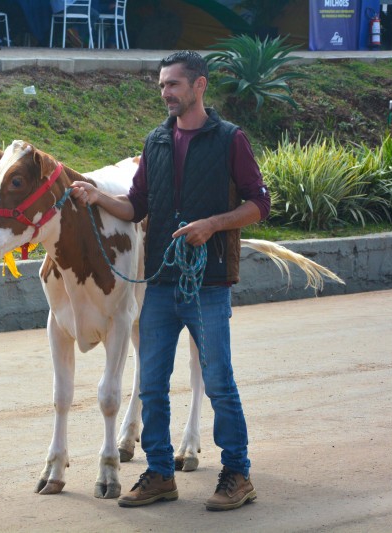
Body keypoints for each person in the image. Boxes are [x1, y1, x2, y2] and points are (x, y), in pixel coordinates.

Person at [70, 50, 270, 511]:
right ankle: (160, 474)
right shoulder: (156, 141)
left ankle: (237, 474)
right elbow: (136, 205)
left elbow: (259, 204)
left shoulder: (230, 139)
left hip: (208, 283)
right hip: (159, 283)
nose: (165, 93)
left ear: (200, 85)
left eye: (173, 84)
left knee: (219, 382)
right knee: (152, 384)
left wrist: (213, 225)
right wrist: (99, 197)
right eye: (161, 85)